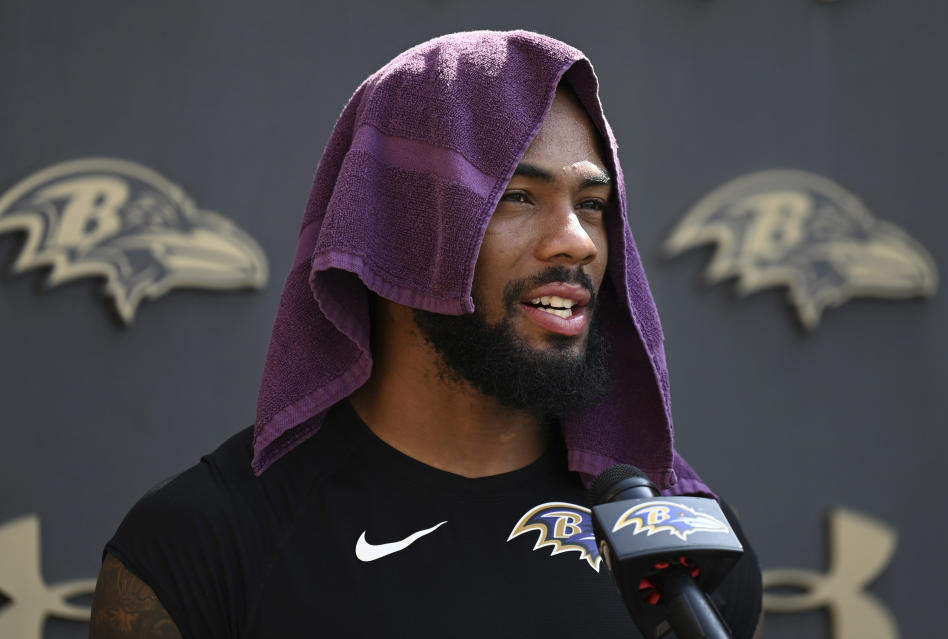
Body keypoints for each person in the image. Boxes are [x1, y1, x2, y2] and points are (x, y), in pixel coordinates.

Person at [91, 30, 762, 638]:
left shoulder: (688, 562)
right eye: (518, 198)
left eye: (591, 204)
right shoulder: (203, 544)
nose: (576, 242)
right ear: (396, 231)